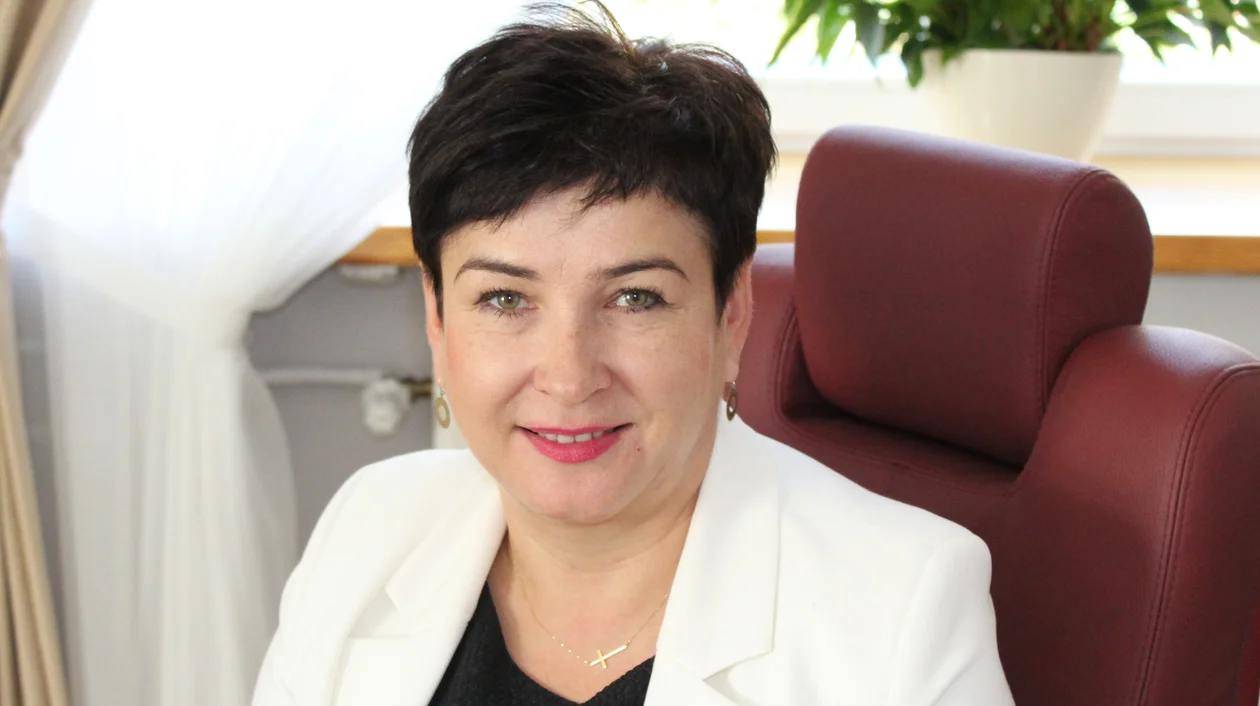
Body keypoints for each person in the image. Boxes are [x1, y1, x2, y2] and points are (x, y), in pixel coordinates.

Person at [251, 3, 1016, 704]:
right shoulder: (369, 528)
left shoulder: (901, 612)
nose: (568, 377)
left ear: (731, 313)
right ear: (438, 319)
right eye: (505, 300)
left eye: (635, 298)